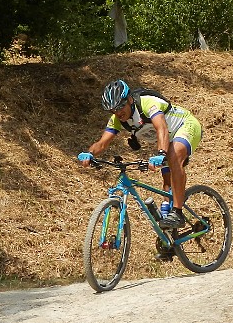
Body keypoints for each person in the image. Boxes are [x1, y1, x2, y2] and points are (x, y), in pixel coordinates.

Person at [78, 79, 203, 230]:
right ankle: (169, 239)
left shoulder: (148, 104)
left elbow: (161, 129)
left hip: (186, 126)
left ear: (130, 99)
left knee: (173, 157)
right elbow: (102, 143)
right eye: (113, 110)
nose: (118, 113)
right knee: (166, 180)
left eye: (120, 107)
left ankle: (177, 213)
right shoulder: (117, 120)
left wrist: (161, 153)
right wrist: (89, 153)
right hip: (167, 140)